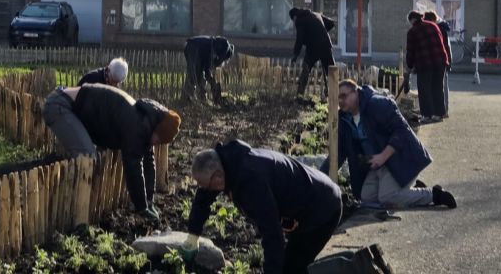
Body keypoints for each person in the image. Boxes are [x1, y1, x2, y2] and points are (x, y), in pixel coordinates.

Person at [182, 139, 342, 274]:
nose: (205, 190)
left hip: (323, 208)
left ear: (217, 177)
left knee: (291, 268)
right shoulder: (226, 163)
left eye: (206, 186)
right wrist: (193, 235)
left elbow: (272, 234)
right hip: (306, 201)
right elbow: (203, 199)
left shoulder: (251, 183)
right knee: (290, 265)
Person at [42, 83, 181, 219]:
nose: (156, 144)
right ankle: (69, 208)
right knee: (87, 157)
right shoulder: (136, 124)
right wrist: (141, 207)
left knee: (89, 155)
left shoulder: (146, 121)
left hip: (72, 107)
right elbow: (133, 166)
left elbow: (148, 161)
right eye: (158, 140)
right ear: (157, 130)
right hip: (60, 105)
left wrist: (149, 199)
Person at [326, 79, 457, 210]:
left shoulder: (377, 104)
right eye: (338, 98)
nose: (340, 101)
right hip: (377, 166)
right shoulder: (344, 118)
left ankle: (434, 195)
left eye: (343, 96)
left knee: (388, 197)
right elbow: (339, 152)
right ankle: (408, 189)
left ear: (356, 92)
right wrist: (318, 179)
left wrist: (383, 156)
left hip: (399, 158)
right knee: (367, 197)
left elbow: (402, 131)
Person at [406, 11, 449, 122]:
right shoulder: (433, 25)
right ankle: (439, 114)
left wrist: (409, 66)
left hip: (424, 63)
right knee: (437, 88)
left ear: (412, 20)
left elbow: (410, 51)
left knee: (424, 90)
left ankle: (427, 115)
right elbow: (441, 44)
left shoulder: (412, 32)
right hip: (440, 62)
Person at [290, 8, 336, 96]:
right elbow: (331, 23)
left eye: (293, 20)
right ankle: (335, 95)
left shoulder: (299, 21)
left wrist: (295, 55)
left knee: (306, 69)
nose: (293, 22)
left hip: (313, 48)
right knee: (331, 71)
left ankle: (300, 95)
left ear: (294, 17)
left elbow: (299, 39)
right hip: (326, 45)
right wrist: (321, 32)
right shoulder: (316, 14)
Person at [182, 35, 234, 103]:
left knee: (197, 74)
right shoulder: (224, 47)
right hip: (194, 47)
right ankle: (189, 98)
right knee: (194, 74)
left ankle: (199, 98)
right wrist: (212, 81)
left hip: (191, 46)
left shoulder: (213, 49)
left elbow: (206, 69)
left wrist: (212, 81)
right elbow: (209, 68)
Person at [423, 11, 451, 118]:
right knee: (440, 87)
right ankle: (443, 111)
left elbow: (445, 47)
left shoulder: (439, 29)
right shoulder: (441, 28)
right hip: (443, 61)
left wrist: (447, 62)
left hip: (440, 61)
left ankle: (442, 111)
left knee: (439, 87)